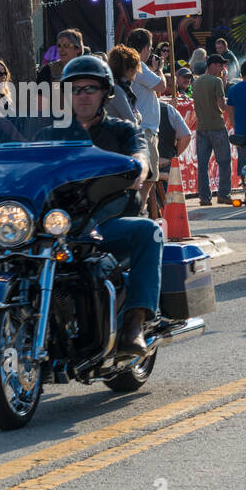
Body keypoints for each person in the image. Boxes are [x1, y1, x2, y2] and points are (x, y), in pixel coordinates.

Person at [57, 55, 162, 358]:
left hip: (107, 223)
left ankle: (134, 324)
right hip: (59, 225)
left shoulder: (123, 131)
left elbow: (140, 158)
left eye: (90, 88)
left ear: (105, 93)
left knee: (148, 231)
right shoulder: (52, 135)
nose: (83, 95)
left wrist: (137, 168)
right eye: (75, 90)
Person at [192, 53, 232, 205]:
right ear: (212, 65)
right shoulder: (216, 81)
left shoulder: (196, 81)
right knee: (224, 162)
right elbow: (221, 104)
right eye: (220, 64)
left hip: (201, 127)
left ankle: (204, 198)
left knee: (202, 166)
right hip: (216, 126)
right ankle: (223, 195)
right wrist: (231, 112)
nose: (222, 67)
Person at [124, 29, 168, 162]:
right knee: (148, 178)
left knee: (142, 178)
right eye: (150, 48)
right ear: (145, 48)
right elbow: (162, 86)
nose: (150, 52)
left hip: (135, 128)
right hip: (144, 129)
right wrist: (160, 70)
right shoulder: (138, 65)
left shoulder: (126, 64)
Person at [105, 46, 142, 126]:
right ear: (129, 70)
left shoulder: (113, 86)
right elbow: (132, 121)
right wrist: (138, 117)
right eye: (135, 70)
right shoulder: (117, 90)